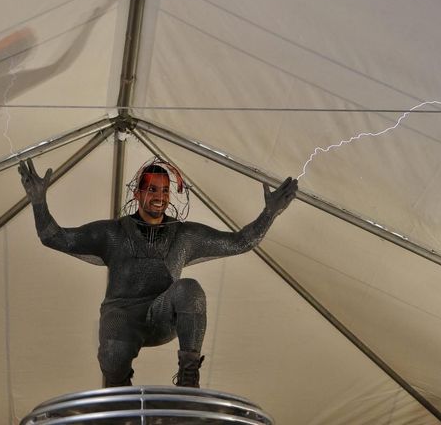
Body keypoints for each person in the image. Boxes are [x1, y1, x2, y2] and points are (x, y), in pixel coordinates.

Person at [18, 156, 298, 388]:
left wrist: (270, 213)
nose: (159, 197)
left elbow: (240, 242)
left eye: (164, 191)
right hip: (122, 315)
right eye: (152, 189)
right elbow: (54, 237)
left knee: (190, 289)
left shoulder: (184, 236)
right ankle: (118, 390)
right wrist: (38, 203)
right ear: (138, 193)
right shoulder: (112, 232)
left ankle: (189, 375)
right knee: (114, 351)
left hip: (163, 314)